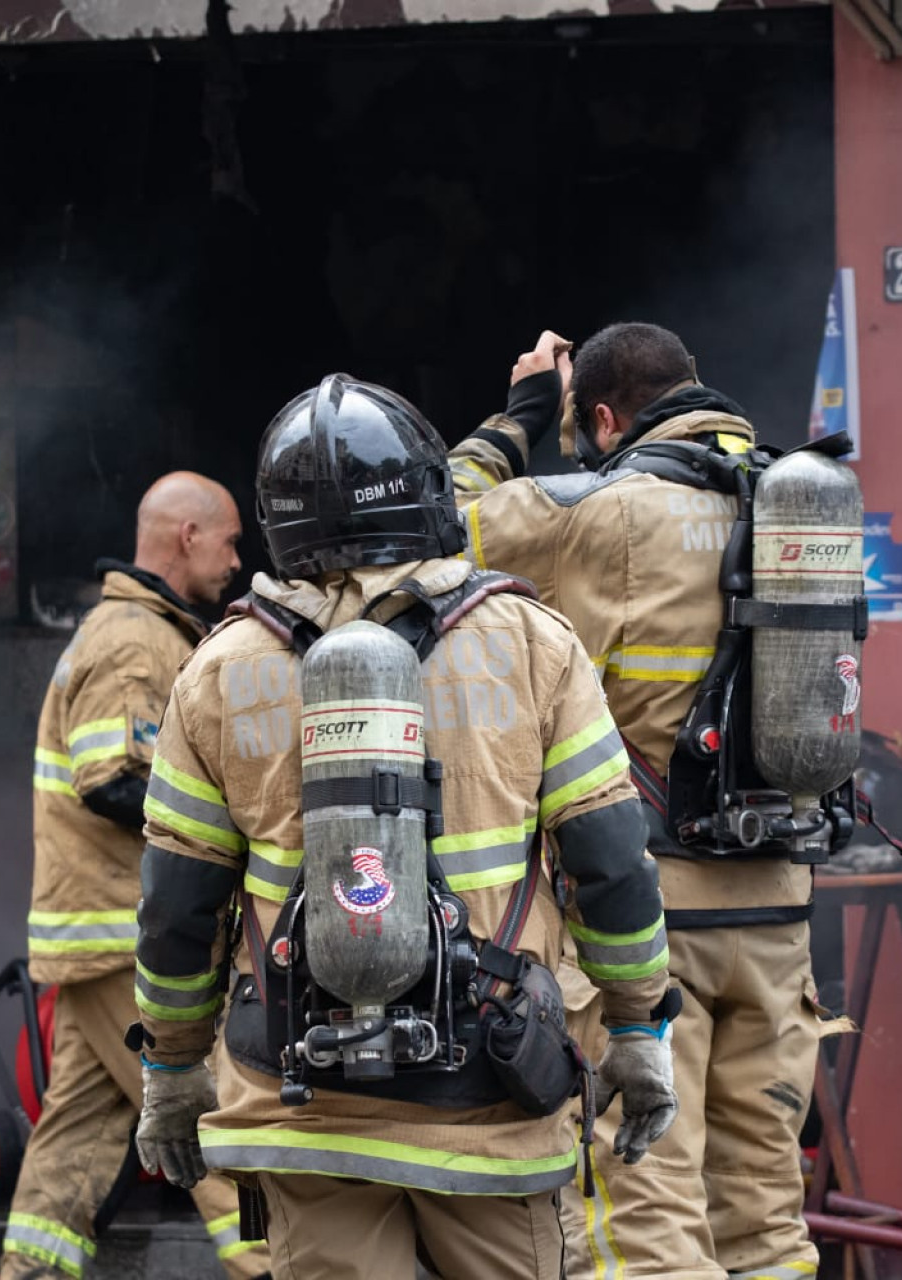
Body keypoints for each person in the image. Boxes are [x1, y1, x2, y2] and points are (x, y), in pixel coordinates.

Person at [128, 375, 679, 1280]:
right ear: (428, 496)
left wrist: (173, 1067)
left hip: (302, 1104)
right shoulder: (532, 643)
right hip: (491, 1096)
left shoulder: (219, 669)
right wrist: (637, 1029)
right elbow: (612, 863)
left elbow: (177, 908)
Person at [450, 324, 829, 1280]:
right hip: (779, 914)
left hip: (649, 926)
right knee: (769, 1223)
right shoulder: (797, 496)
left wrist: (527, 411)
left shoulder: (599, 511)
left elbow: (422, 523)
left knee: (643, 1215)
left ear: (607, 417)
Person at [0, 472, 268, 1280]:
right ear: (187, 536)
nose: (238, 557)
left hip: (101, 936)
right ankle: (276, 1266)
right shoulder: (134, 640)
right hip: (128, 937)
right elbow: (113, 779)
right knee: (218, 1124)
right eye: (228, 539)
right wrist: (236, 829)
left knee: (76, 1139)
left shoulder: (144, 630)